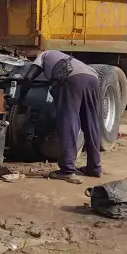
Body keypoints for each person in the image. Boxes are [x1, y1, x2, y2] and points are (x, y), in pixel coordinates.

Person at [19, 50, 102, 183]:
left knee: (68, 122)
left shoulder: (43, 55)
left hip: (72, 79)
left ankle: (67, 170)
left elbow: (29, 77)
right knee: (91, 123)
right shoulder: (63, 56)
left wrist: (21, 99)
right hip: (93, 77)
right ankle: (94, 167)